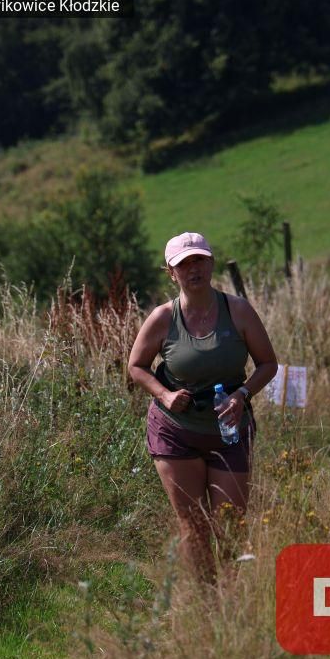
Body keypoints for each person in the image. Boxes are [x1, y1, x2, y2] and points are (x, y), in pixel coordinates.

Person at [127, 231, 278, 582]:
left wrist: (242, 395)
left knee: (230, 522)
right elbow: (136, 366)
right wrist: (164, 395)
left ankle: (233, 594)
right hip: (175, 430)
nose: (193, 269)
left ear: (211, 264)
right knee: (193, 523)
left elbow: (268, 364)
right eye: (184, 264)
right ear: (171, 273)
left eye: (199, 260)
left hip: (229, 429)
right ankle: (206, 598)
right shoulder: (163, 318)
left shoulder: (238, 311)